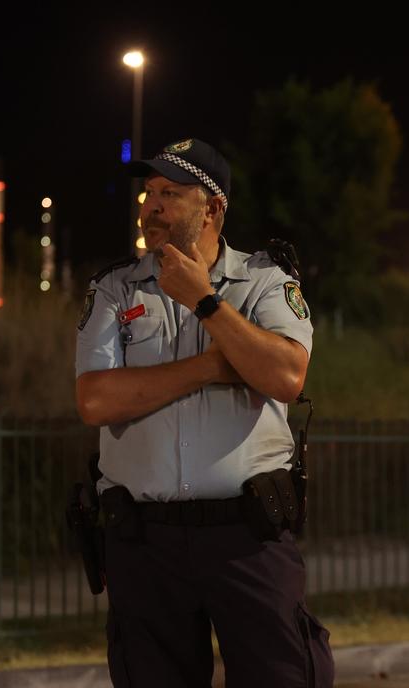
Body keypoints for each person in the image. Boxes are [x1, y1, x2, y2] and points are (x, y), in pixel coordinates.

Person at [74, 137, 333, 687]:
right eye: (148, 193)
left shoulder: (265, 282)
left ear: (212, 207)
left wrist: (206, 303)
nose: (151, 207)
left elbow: (285, 376)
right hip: (145, 544)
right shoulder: (114, 288)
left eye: (170, 193)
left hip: (247, 538)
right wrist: (215, 366)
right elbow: (96, 400)